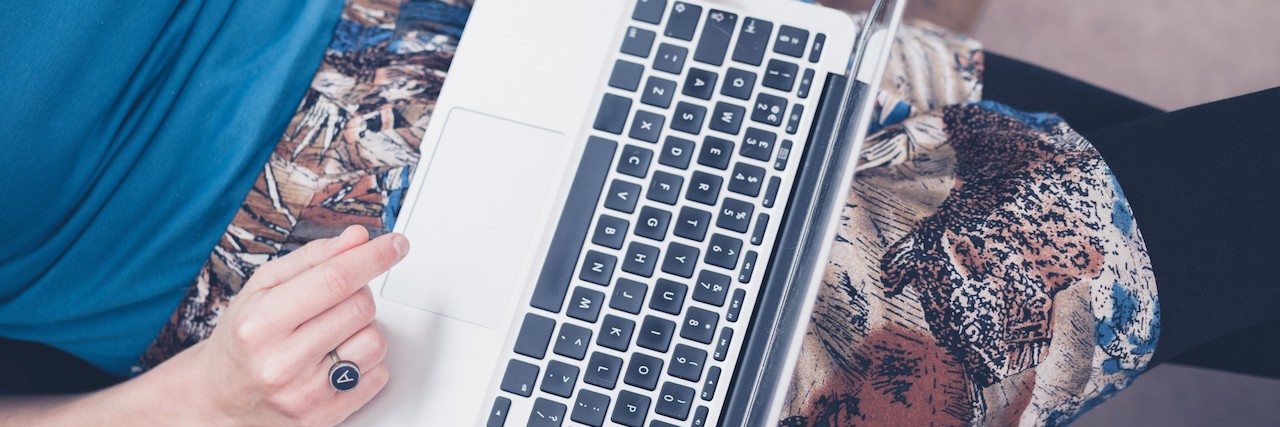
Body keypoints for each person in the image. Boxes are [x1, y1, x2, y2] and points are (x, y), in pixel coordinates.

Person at [1, 0, 1275, 426]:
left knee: (1166, 194)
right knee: (1198, 211)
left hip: (479, 37)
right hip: (316, 284)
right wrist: (206, 401)